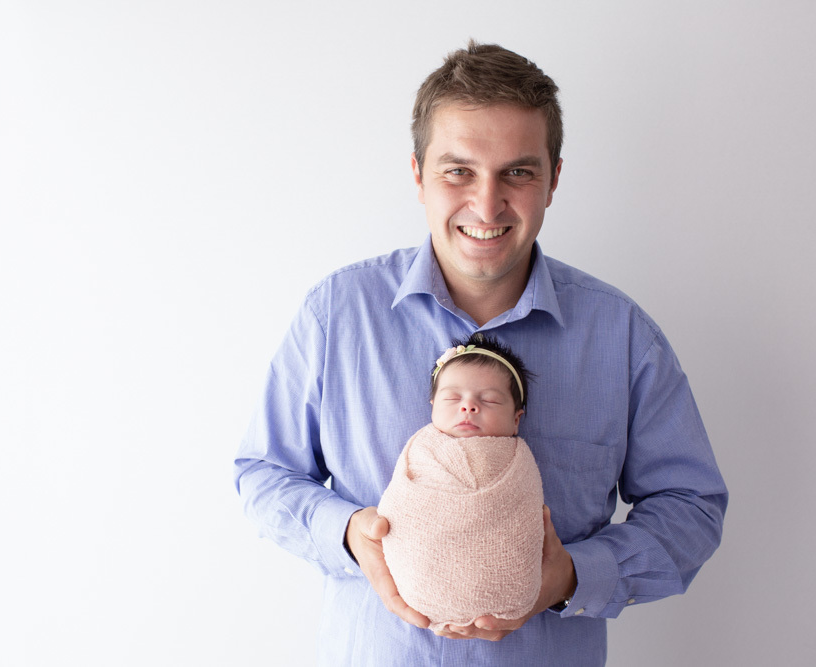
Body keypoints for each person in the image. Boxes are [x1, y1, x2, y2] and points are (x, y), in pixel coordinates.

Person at [234, 40, 728, 665]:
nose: (487, 204)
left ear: (553, 179)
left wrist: (573, 577)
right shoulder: (336, 315)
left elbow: (692, 507)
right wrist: (349, 534)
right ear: (418, 174)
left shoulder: (623, 337)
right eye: (458, 170)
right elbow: (263, 473)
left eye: (518, 172)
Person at [378, 334, 546, 633]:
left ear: (517, 420)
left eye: (490, 400)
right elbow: (402, 506)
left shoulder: (516, 459)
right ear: (432, 406)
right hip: (414, 590)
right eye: (453, 398)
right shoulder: (423, 450)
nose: (468, 406)